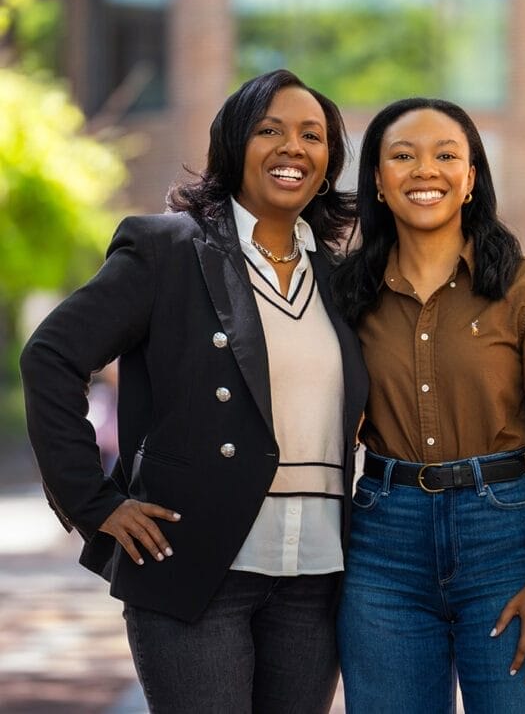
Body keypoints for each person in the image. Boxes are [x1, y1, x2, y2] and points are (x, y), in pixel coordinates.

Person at [20, 69, 368, 714]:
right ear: (234, 145)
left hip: (317, 575)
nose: (293, 147)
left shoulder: (343, 281)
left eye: (312, 136)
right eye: (271, 131)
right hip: (194, 565)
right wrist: (94, 503)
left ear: (329, 163)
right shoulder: (169, 250)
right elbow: (51, 355)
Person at [330, 98, 525, 713]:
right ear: (377, 179)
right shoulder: (345, 293)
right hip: (382, 546)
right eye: (403, 156)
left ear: (471, 179)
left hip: (505, 540)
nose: (426, 170)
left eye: (447, 156)